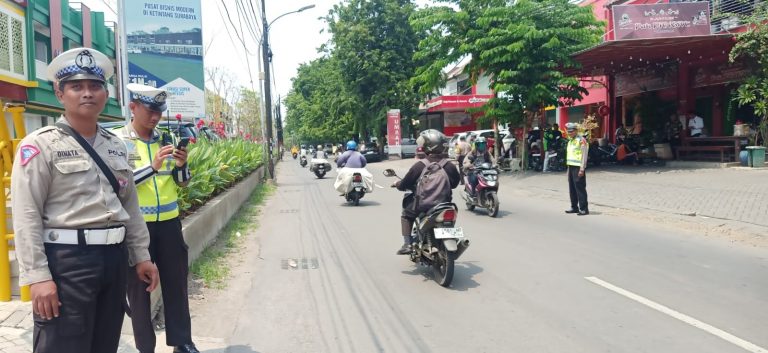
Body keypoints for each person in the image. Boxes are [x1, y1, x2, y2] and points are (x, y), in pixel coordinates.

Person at [11, 47, 159, 353]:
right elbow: (26, 215)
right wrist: (38, 277)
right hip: (67, 262)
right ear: (59, 93)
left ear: (105, 93)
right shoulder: (40, 145)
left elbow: (128, 207)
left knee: (105, 343)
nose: (87, 93)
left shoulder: (116, 147)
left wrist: (141, 255)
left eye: (95, 86)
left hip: (113, 260)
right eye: (77, 86)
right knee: (63, 345)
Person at [115, 84, 198, 353]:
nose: (155, 117)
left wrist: (183, 166)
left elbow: (182, 183)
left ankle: (182, 341)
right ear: (133, 107)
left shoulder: (165, 140)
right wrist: (152, 168)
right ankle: (145, 347)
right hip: (138, 228)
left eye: (159, 112)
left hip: (170, 225)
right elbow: (120, 183)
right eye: (150, 111)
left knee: (177, 283)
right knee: (139, 294)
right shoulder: (118, 142)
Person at [392, 130, 460, 255]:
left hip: (423, 206)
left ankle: (407, 243)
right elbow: (455, 184)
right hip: (444, 205)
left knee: (406, 215)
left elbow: (405, 184)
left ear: (428, 146)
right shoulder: (449, 166)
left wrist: (398, 184)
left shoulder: (419, 166)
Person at [564, 123, 589, 216]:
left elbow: (584, 155)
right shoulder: (570, 141)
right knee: (572, 189)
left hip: (578, 167)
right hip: (571, 167)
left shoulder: (581, 140)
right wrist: (568, 169)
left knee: (580, 188)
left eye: (571, 131)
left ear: (576, 131)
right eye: (568, 132)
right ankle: (574, 207)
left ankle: (584, 209)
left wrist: (582, 168)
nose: (569, 133)